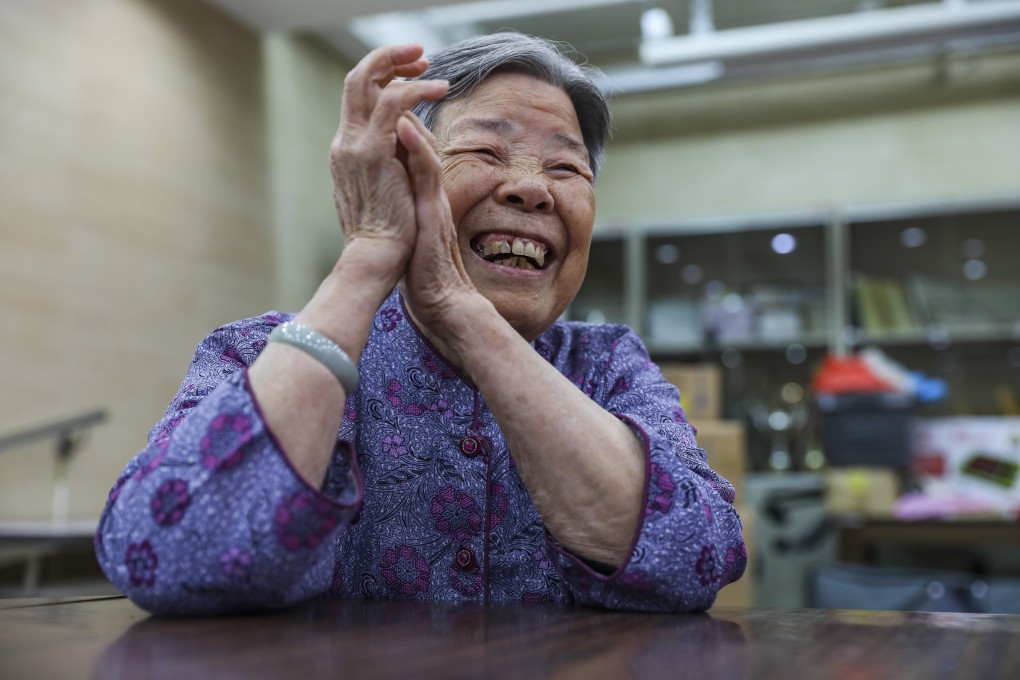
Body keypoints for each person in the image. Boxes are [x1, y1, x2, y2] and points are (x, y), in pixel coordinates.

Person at [95, 32, 746, 616]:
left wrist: (461, 310)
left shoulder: (606, 368)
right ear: (404, 177)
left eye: (565, 168)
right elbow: (161, 553)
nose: (532, 189)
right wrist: (371, 251)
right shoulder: (259, 354)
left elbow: (697, 554)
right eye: (487, 151)